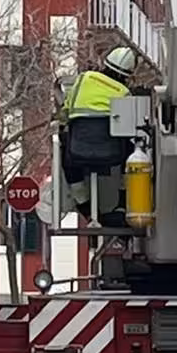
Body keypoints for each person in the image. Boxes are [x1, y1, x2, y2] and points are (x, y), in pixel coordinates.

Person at [61, 46, 137, 223]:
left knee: (66, 157)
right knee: (134, 153)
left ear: (105, 64)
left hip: (77, 151)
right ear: (126, 75)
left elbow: (66, 110)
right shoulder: (124, 93)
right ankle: (122, 202)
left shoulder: (83, 79)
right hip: (112, 154)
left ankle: (84, 206)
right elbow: (129, 126)